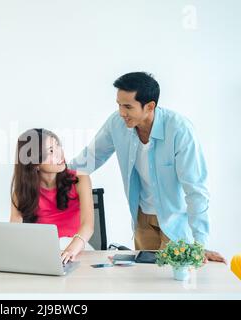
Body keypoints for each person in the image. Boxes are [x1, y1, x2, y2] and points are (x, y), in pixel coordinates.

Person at [70, 72, 226, 263]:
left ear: (150, 106)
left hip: (175, 219)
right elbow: (90, 159)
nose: (121, 113)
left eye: (128, 106)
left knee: (173, 282)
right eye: (119, 105)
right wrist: (49, 174)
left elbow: (196, 190)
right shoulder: (116, 124)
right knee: (144, 280)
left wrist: (200, 244)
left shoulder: (179, 130)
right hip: (141, 218)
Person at [10, 128, 94, 264]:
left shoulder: (80, 179)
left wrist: (71, 250)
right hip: (42, 253)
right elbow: (15, 231)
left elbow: (88, 225)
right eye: (50, 151)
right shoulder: (22, 191)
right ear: (35, 163)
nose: (59, 154)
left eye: (58, 146)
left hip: (75, 249)